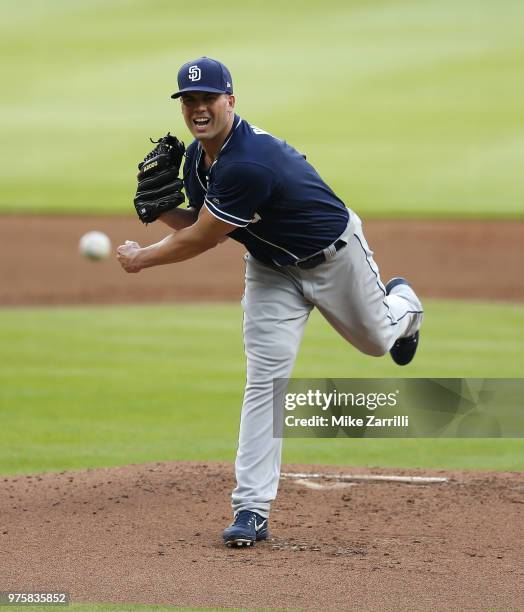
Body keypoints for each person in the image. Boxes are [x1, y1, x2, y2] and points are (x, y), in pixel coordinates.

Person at [117, 56, 424, 548]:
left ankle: (405, 307)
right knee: (266, 378)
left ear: (230, 102)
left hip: (333, 259)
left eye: (208, 99)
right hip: (269, 269)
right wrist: (164, 211)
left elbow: (201, 239)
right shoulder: (199, 160)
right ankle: (251, 510)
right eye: (189, 101)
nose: (198, 109)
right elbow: (208, 225)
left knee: (376, 340)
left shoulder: (247, 161)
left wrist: (141, 257)